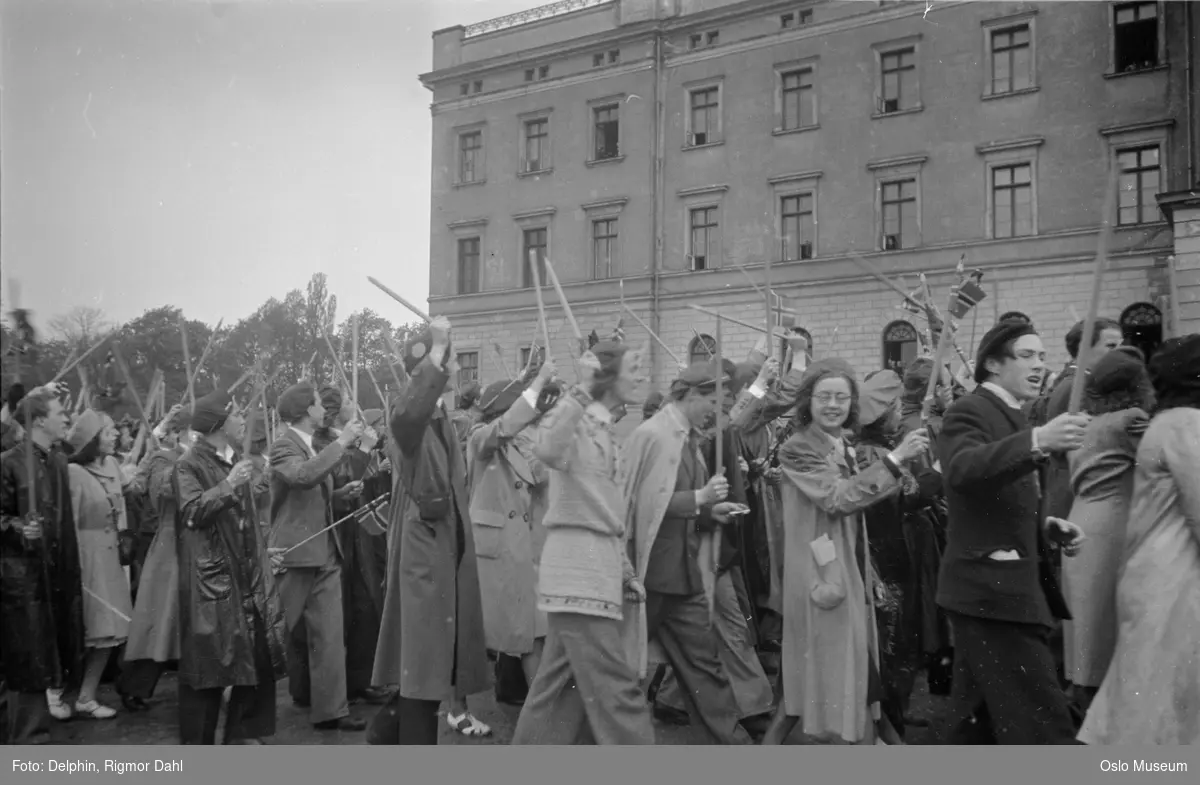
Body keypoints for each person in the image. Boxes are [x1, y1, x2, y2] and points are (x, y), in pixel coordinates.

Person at [937, 319, 1089, 744]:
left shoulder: (1012, 413)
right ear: (992, 364)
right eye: (1026, 356)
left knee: (975, 723)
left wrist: (1044, 527)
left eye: (1042, 356)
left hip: (994, 590)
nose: (1039, 365)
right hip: (992, 594)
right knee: (1043, 722)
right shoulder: (970, 409)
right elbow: (964, 470)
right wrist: (1039, 438)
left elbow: (998, 494)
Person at [762, 359, 929, 745]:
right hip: (820, 574)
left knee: (825, 672)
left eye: (841, 397)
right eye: (824, 397)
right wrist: (895, 459)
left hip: (842, 569)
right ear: (808, 401)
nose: (833, 405)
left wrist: (866, 572)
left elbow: (856, 519)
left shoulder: (842, 444)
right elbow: (838, 500)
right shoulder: (798, 448)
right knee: (839, 672)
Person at [510, 340, 655, 745]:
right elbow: (546, 448)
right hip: (578, 578)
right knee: (617, 693)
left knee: (556, 694)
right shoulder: (575, 417)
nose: (641, 375)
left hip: (593, 573)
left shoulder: (604, 427)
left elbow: (605, 511)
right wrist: (579, 390)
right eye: (634, 367)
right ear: (607, 376)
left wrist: (624, 570)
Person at [369, 316, 491, 745]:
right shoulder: (412, 417)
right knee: (422, 671)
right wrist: (437, 348)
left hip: (444, 551)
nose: (457, 367)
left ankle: (386, 732)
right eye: (451, 360)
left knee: (428, 666)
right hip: (425, 554)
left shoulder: (437, 416)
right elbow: (408, 413)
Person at [621, 362, 754, 745]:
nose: (717, 409)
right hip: (645, 579)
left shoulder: (688, 438)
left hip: (683, 578)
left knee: (706, 670)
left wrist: (711, 514)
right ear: (690, 395)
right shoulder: (653, 436)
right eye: (712, 400)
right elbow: (635, 506)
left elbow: (682, 520)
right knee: (617, 671)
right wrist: (700, 499)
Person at [1079, 334, 1200, 745]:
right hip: (1176, 581)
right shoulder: (1186, 424)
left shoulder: (1167, 421)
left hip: (1156, 574)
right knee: (1161, 710)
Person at [174, 390, 284, 744]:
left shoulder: (237, 457)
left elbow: (246, 519)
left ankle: (243, 734)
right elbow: (192, 513)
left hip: (247, 572)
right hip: (215, 579)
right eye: (236, 415)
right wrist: (228, 484)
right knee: (210, 667)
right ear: (219, 423)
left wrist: (263, 552)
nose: (242, 420)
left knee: (256, 656)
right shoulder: (188, 464)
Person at [269, 381, 367, 732]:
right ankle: (243, 713)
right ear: (304, 411)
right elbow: (302, 477)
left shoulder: (310, 445)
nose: (322, 409)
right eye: (316, 404)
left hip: (324, 552)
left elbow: (314, 495)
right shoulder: (283, 446)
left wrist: (340, 494)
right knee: (273, 635)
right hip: (293, 555)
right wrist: (342, 442)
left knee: (329, 637)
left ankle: (331, 711)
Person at [1062, 348, 1154, 713]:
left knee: (1086, 628)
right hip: (1115, 525)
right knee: (1110, 630)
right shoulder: (1131, 419)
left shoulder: (1082, 422)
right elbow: (1163, 459)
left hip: (1080, 522)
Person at [466, 365, 556, 696]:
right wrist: (539, 382)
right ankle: (541, 710)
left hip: (527, 548)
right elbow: (502, 430)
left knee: (533, 630)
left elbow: (541, 477)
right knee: (528, 633)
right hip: (501, 550)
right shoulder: (480, 438)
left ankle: (534, 702)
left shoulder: (520, 443)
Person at [1, 387, 84, 743]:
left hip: (56, 573)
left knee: (51, 655)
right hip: (23, 579)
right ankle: (28, 748)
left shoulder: (57, 461)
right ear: (38, 420)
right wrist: (20, 527)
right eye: (60, 411)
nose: (67, 417)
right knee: (28, 663)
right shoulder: (9, 462)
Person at [117, 405, 191, 711]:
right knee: (160, 619)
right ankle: (134, 685)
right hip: (170, 548)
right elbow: (160, 490)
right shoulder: (164, 457)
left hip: (198, 546)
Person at [64, 409, 134, 720]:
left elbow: (134, 485)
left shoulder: (114, 465)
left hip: (113, 560)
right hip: (86, 559)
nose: (115, 435)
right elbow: (67, 525)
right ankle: (56, 693)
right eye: (108, 432)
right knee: (84, 630)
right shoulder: (73, 474)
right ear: (92, 439)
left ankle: (86, 697)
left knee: (109, 633)